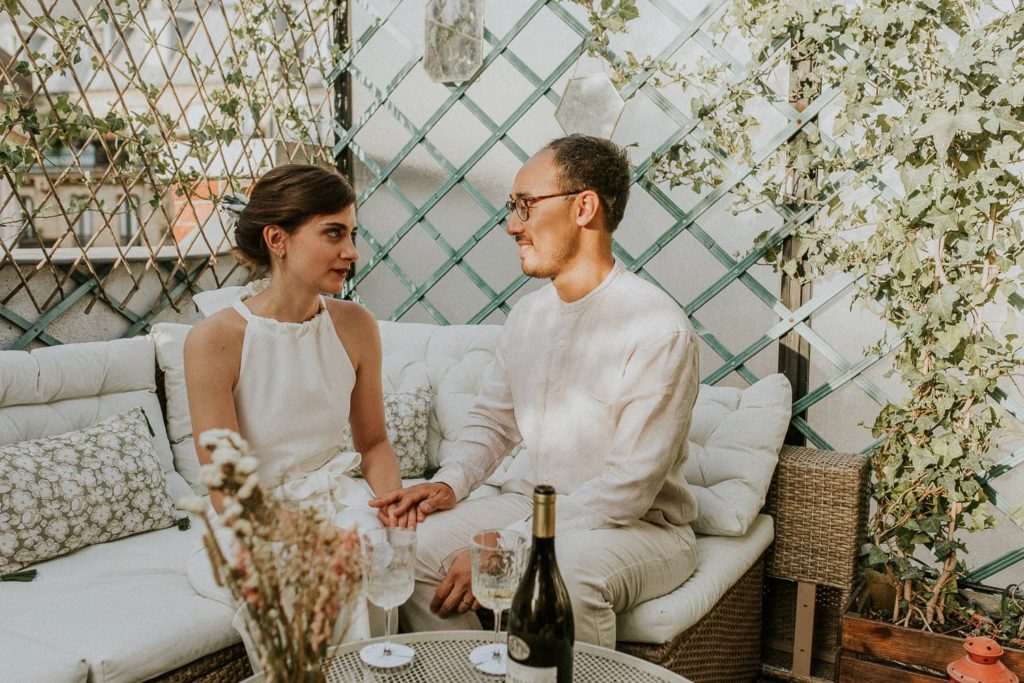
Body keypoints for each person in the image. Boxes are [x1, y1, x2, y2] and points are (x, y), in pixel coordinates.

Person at [371, 135, 701, 647]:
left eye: (525, 205)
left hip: (642, 529)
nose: (511, 224)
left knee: (561, 572)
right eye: (512, 206)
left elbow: (628, 489)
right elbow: (494, 420)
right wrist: (450, 482)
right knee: (407, 549)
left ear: (584, 207)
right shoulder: (528, 316)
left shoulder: (658, 330)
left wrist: (512, 543)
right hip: (539, 506)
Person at [184, 163, 413, 529]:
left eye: (352, 234)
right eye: (334, 234)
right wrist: (318, 540)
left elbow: (373, 445)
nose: (352, 252)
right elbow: (229, 491)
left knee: (399, 564)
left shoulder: (357, 325)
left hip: (341, 507)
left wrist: (394, 506)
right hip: (255, 523)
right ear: (277, 240)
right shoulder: (214, 340)